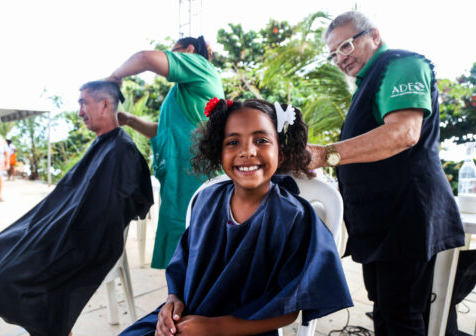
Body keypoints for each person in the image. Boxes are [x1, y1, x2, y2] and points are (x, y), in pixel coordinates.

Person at [119, 98, 353, 336]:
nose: (247, 151)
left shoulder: (294, 218)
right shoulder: (205, 201)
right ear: (218, 151)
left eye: (261, 140)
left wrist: (214, 328)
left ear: (281, 153)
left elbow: (289, 308)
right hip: (187, 321)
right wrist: (172, 301)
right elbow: (183, 266)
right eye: (233, 142)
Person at [307, 11, 466, 335]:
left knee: (403, 318)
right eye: (333, 54)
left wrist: (325, 154)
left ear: (374, 36)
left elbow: (404, 133)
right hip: (381, 223)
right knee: (389, 311)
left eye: (346, 47)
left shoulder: (401, 64)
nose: (340, 59)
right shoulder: (367, 83)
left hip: (408, 218)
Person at [0, 81, 154, 336]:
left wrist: (56, 234)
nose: (79, 112)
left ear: (105, 104)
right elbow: (68, 196)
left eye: (83, 103)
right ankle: (42, 325)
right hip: (70, 229)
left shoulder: (121, 150)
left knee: (7, 278)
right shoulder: (103, 144)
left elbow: (103, 215)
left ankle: (48, 328)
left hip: (86, 241)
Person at [105, 35, 225, 269]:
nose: (169, 57)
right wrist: (129, 120)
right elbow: (164, 132)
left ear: (190, 50)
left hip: (197, 177)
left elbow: (145, 58)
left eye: (174, 51)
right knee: (182, 258)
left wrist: (114, 76)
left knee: (200, 253)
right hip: (179, 180)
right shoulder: (182, 93)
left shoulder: (199, 66)